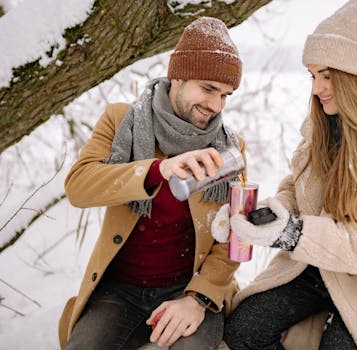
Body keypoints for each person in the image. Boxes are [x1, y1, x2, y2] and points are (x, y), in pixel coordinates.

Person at [211, 1, 357, 349]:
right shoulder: (320, 128)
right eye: (314, 76)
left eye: (328, 76)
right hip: (315, 267)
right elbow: (296, 189)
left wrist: (293, 233)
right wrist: (261, 218)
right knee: (244, 328)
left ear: (355, 77)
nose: (317, 88)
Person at [59, 17, 245, 350]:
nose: (216, 106)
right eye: (208, 89)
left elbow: (236, 236)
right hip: (119, 291)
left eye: (225, 95)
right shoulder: (121, 122)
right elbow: (79, 186)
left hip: (189, 288)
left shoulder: (228, 147)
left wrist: (197, 298)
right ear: (178, 76)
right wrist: (157, 170)